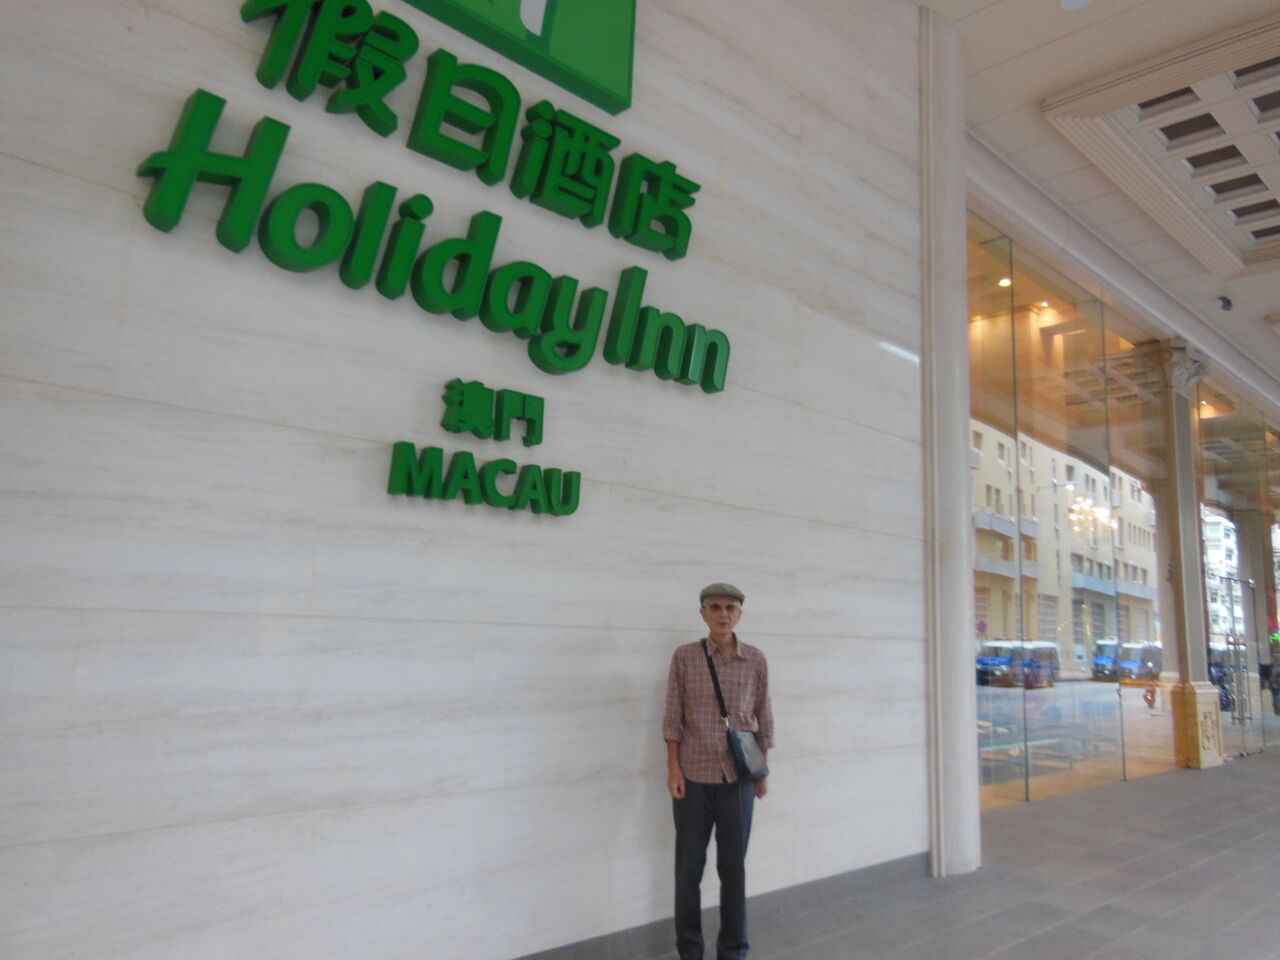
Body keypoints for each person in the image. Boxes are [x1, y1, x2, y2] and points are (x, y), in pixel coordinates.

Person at [662, 582, 773, 960]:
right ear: (703, 614)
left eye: (730, 607)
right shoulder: (685, 657)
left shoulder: (755, 659)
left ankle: (734, 951)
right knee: (687, 871)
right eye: (715, 607)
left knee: (734, 871)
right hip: (693, 778)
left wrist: (762, 772)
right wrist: (673, 769)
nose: (723, 614)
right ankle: (689, 951)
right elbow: (673, 718)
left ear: (739, 614)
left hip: (738, 781)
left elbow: (764, 717)